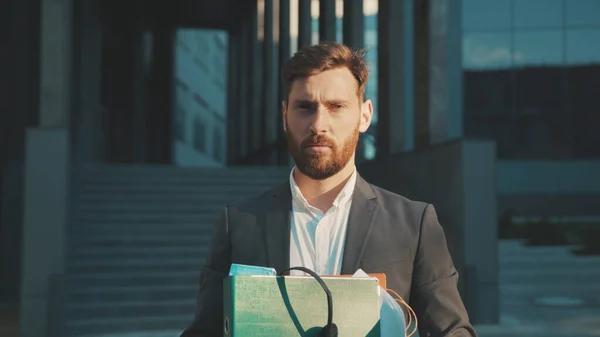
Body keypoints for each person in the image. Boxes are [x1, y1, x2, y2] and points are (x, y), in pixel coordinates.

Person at [181, 41, 477, 337]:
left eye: (336, 107)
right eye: (305, 107)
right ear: (285, 115)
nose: (318, 124)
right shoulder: (238, 224)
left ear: (364, 115)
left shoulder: (415, 224)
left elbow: (454, 332)